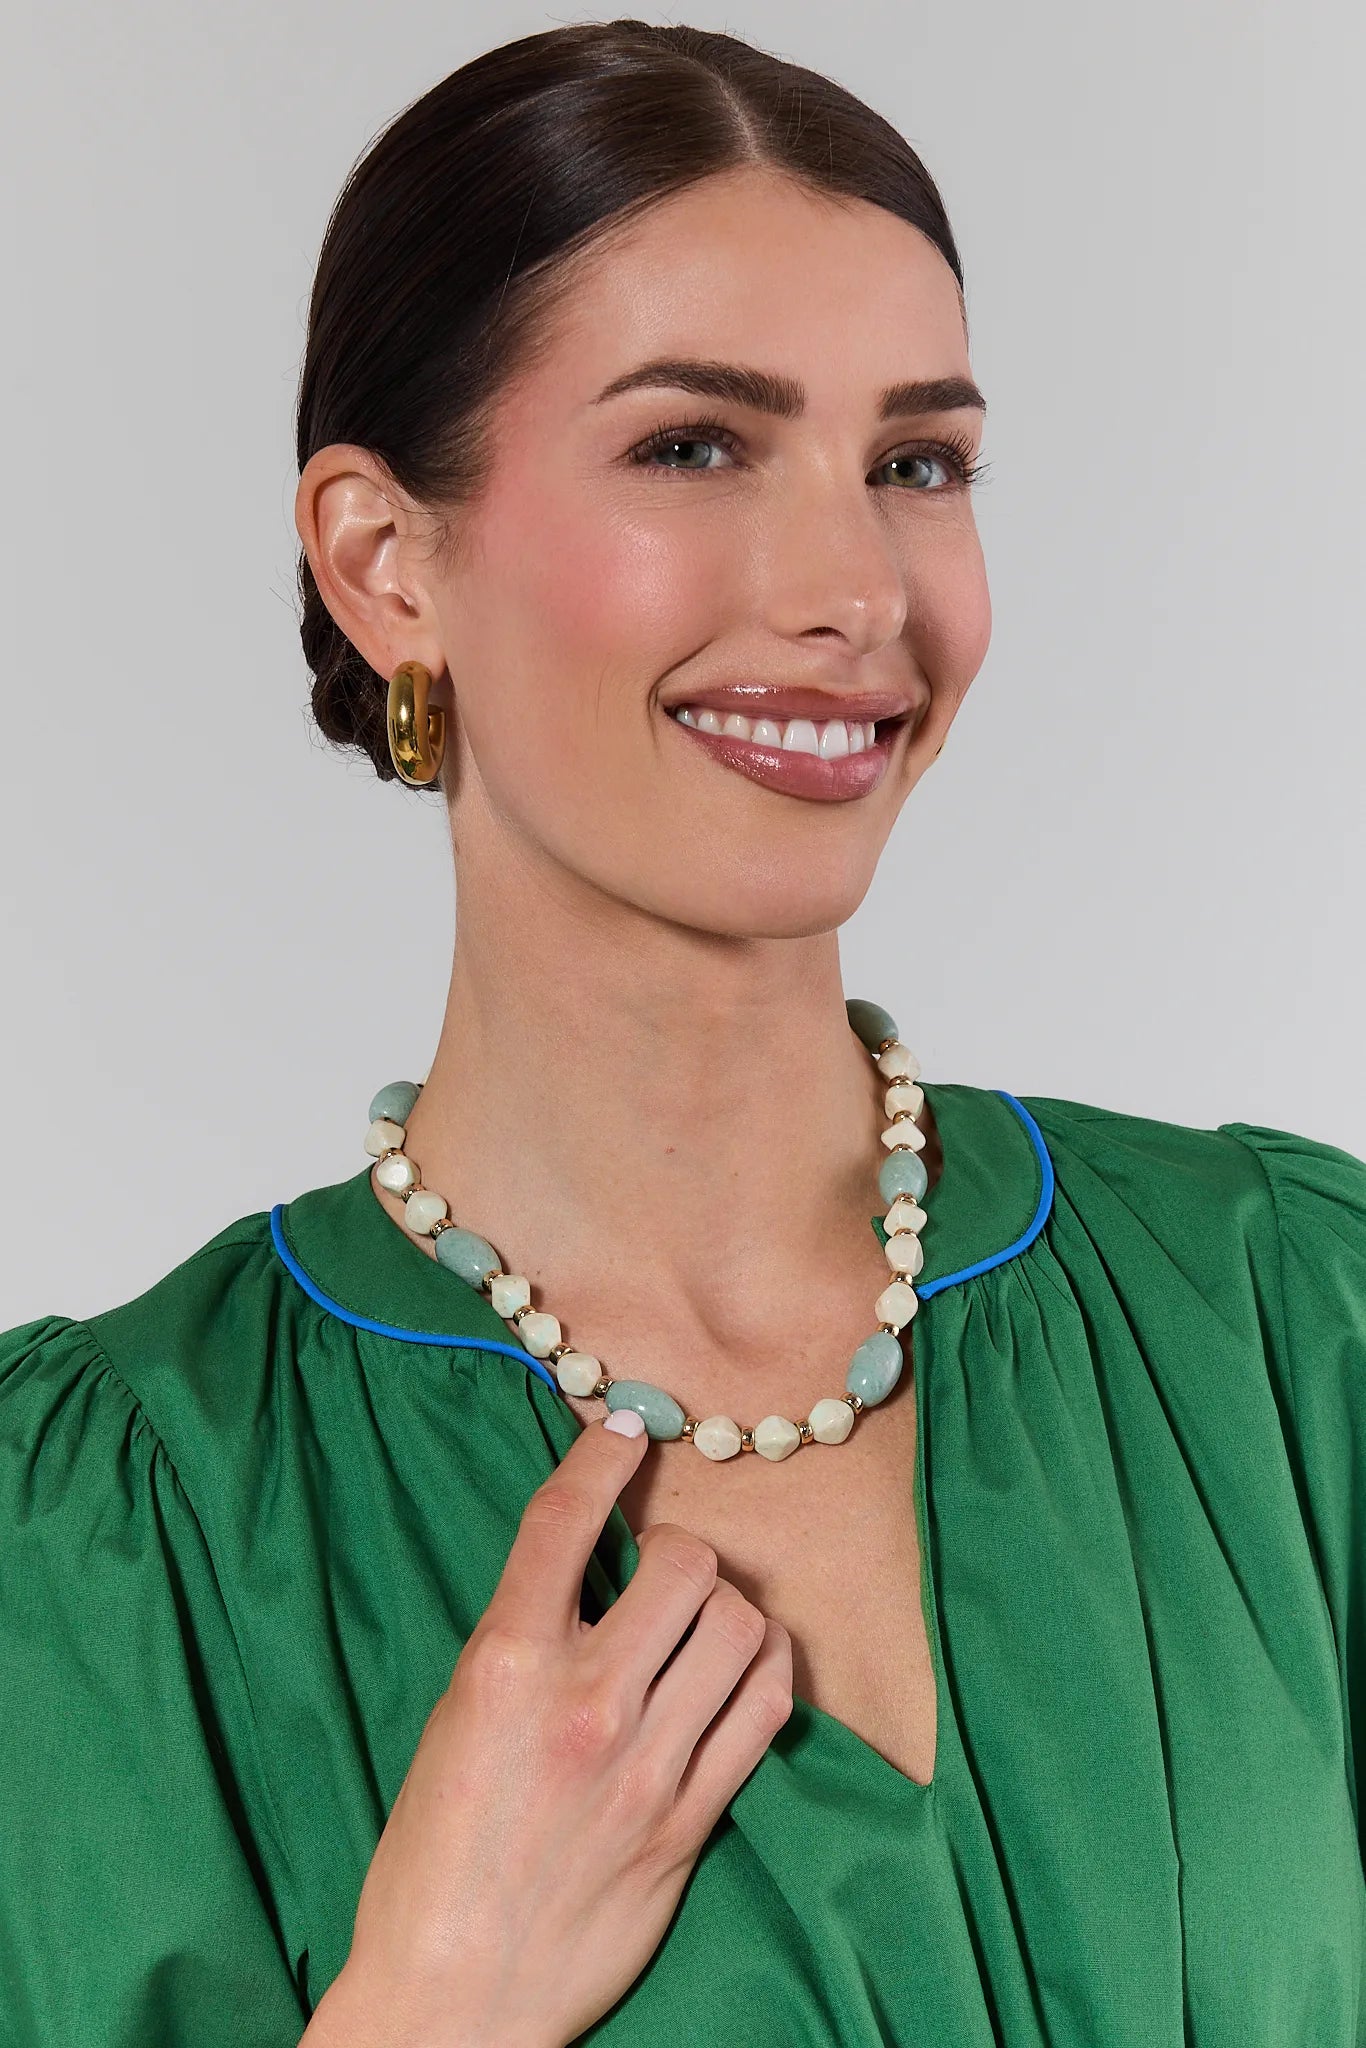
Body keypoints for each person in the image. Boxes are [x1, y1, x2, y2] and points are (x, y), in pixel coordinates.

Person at [3, 18, 1364, 2047]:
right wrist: (430, 2002)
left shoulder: (1285, 1325)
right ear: (387, 565)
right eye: (692, 445)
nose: (850, 586)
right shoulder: (116, 1549)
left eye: (915, 464)